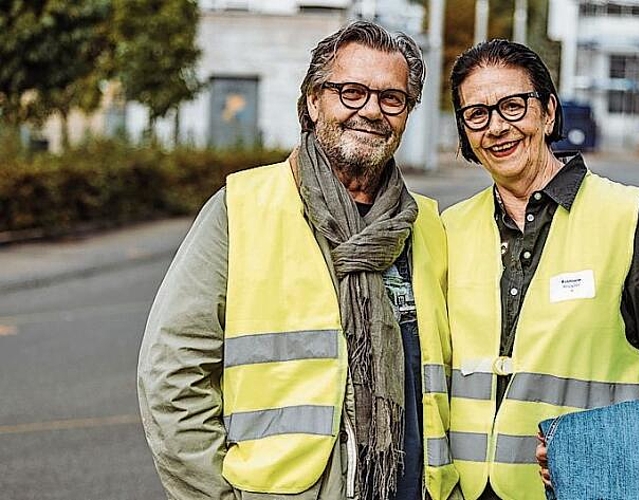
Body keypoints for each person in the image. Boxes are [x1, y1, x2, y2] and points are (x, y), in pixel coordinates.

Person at [138, 21, 461, 500]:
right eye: (351, 92)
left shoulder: (428, 225)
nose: (371, 111)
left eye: (392, 98)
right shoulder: (242, 206)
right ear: (314, 101)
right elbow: (172, 372)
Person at [441, 39, 639, 500]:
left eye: (513, 106)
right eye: (477, 114)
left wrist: (623, 440)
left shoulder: (624, 217)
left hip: (588, 487)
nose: (496, 127)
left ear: (548, 112)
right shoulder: (449, 228)